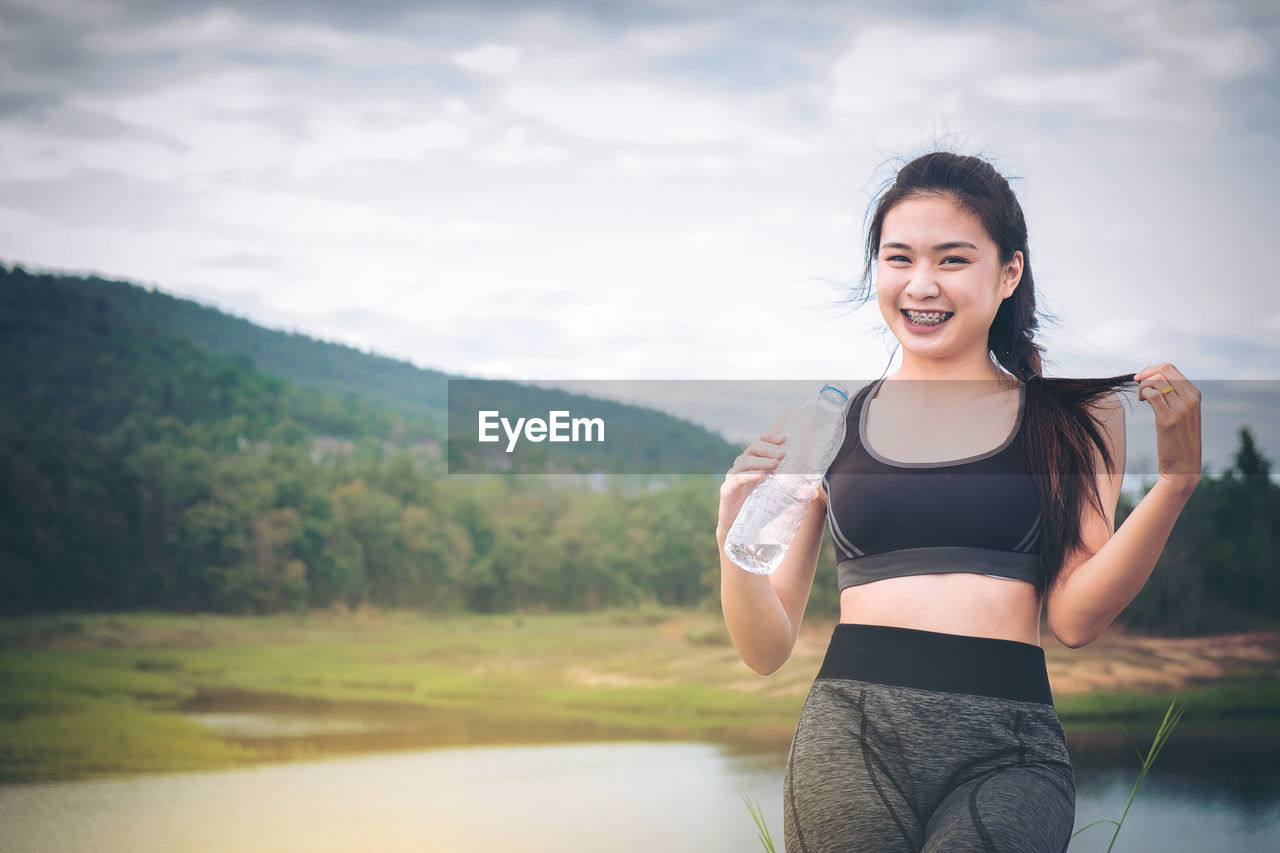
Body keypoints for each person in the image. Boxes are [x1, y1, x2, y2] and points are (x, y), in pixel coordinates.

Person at [715, 151, 1203, 852]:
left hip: (1009, 747)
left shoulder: (1076, 419)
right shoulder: (827, 425)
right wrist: (733, 541)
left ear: (1009, 272)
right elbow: (765, 648)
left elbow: (1074, 616)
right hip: (849, 734)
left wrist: (1176, 482)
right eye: (898, 258)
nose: (920, 284)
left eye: (952, 260)